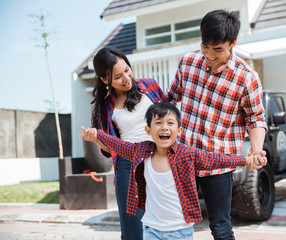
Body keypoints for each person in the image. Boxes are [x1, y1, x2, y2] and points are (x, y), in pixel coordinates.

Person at [80, 102, 267, 240]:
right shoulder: (141, 151)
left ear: (179, 130)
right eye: (158, 123)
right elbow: (118, 145)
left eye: (170, 123)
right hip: (151, 229)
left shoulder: (187, 154)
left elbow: (216, 159)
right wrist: (98, 136)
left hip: (179, 231)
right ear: (148, 130)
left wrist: (246, 160)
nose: (164, 128)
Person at [166, 10, 267, 239]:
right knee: (174, 222)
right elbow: (170, 100)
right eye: (205, 46)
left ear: (233, 43)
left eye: (218, 49)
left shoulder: (246, 77)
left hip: (218, 163)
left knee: (220, 227)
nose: (209, 54)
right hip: (182, 159)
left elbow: (256, 118)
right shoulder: (188, 62)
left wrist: (257, 149)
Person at [90, 47, 167, 240]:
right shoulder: (106, 106)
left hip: (161, 161)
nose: (126, 78)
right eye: (117, 76)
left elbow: (170, 118)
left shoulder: (150, 85)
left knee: (166, 226)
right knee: (133, 232)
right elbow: (110, 149)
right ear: (105, 80)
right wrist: (99, 139)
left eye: (127, 70)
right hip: (129, 166)